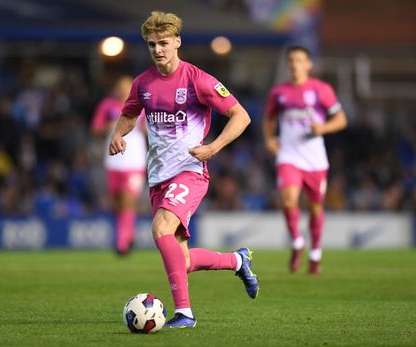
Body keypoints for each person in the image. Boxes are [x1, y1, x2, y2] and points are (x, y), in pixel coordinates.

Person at [108, 11, 259, 329]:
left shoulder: (198, 80)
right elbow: (129, 114)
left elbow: (241, 116)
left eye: (163, 43)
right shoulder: (143, 83)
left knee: (161, 229)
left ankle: (185, 314)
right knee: (183, 260)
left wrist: (213, 147)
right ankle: (237, 260)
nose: (158, 50)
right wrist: (118, 134)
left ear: (177, 42)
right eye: (152, 45)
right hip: (158, 177)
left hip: (190, 171)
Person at [263, 45, 348, 274]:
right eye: (291, 60)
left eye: (299, 60)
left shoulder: (321, 89)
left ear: (309, 64)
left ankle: (315, 254)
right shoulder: (279, 92)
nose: (294, 64)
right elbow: (269, 118)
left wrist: (322, 128)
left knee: (315, 208)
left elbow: (341, 120)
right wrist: (270, 138)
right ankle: (297, 242)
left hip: (315, 159)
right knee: (289, 199)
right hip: (288, 155)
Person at [91, 76, 147, 255]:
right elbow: (95, 128)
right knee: (116, 203)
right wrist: (110, 126)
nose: (123, 90)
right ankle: (128, 234)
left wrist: (143, 126)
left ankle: (122, 242)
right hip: (113, 160)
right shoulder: (107, 106)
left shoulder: (142, 106)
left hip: (135, 161)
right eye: (120, 86)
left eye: (127, 87)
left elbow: (150, 128)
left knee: (128, 199)